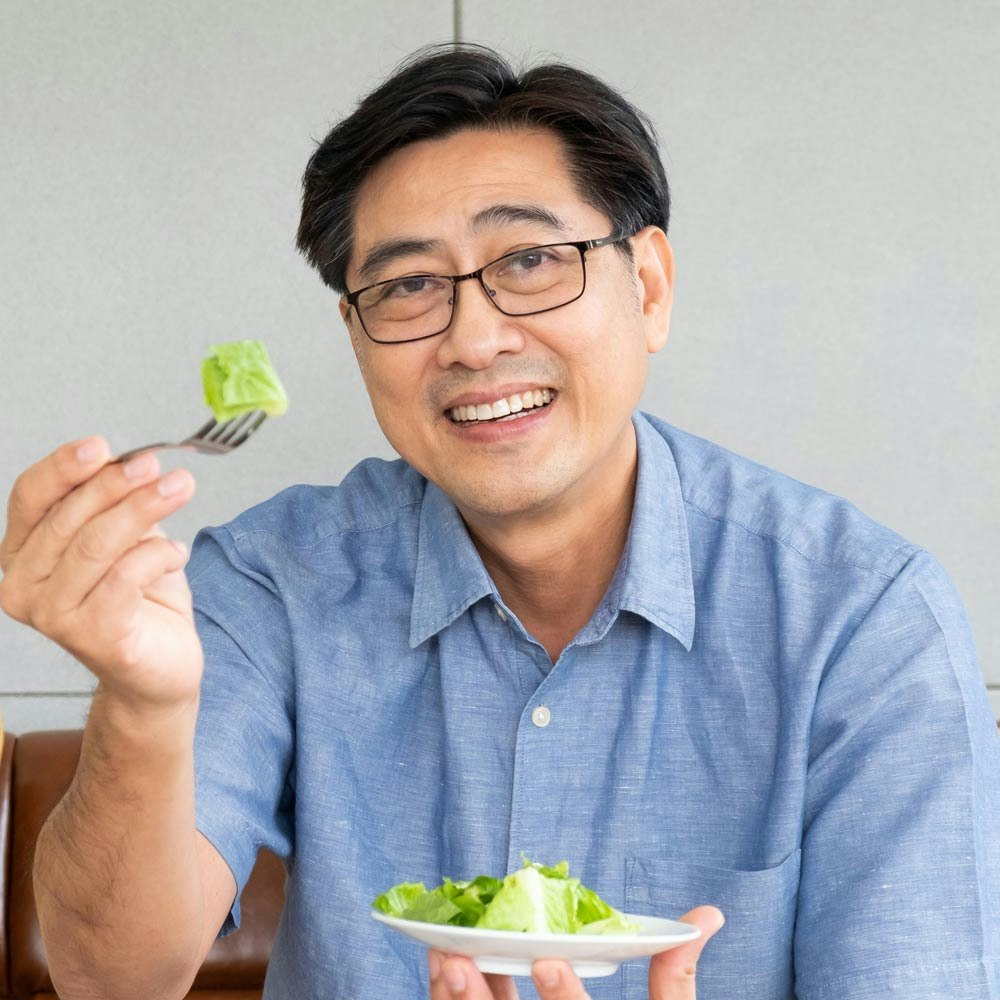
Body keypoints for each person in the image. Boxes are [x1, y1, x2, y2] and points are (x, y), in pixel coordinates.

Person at [2, 42, 998, 1000]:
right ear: (354, 334)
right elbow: (109, 979)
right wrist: (141, 703)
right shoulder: (271, 581)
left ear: (647, 287)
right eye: (407, 286)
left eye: (530, 260)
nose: (474, 339)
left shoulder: (862, 621)